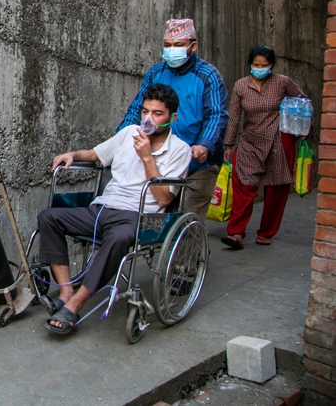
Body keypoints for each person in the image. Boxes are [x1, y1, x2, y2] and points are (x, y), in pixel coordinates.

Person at [39, 84, 192, 334]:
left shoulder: (180, 150)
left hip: (139, 216)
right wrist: (72, 154)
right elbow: (95, 154)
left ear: (172, 117)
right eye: (145, 111)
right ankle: (66, 292)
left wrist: (146, 157)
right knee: (49, 217)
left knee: (119, 238)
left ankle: (77, 304)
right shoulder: (129, 132)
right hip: (103, 208)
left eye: (157, 113)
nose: (148, 119)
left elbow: (164, 198)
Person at [117, 18, 228, 226]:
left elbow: (216, 114)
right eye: (167, 45)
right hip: (161, 158)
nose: (171, 50)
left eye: (178, 45)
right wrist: (119, 140)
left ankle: (187, 256)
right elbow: (136, 111)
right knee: (151, 218)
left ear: (192, 46)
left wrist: (205, 144)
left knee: (186, 220)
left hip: (196, 163)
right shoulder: (156, 73)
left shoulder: (207, 76)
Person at [221, 46, 306, 249]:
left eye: (264, 65)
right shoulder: (241, 86)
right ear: (250, 64)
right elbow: (234, 117)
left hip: (277, 142)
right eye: (255, 65)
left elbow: (303, 102)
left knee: (277, 189)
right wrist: (228, 144)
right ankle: (236, 233)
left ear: (271, 66)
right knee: (243, 187)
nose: (259, 68)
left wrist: (298, 126)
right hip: (250, 143)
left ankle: (266, 232)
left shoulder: (282, 82)